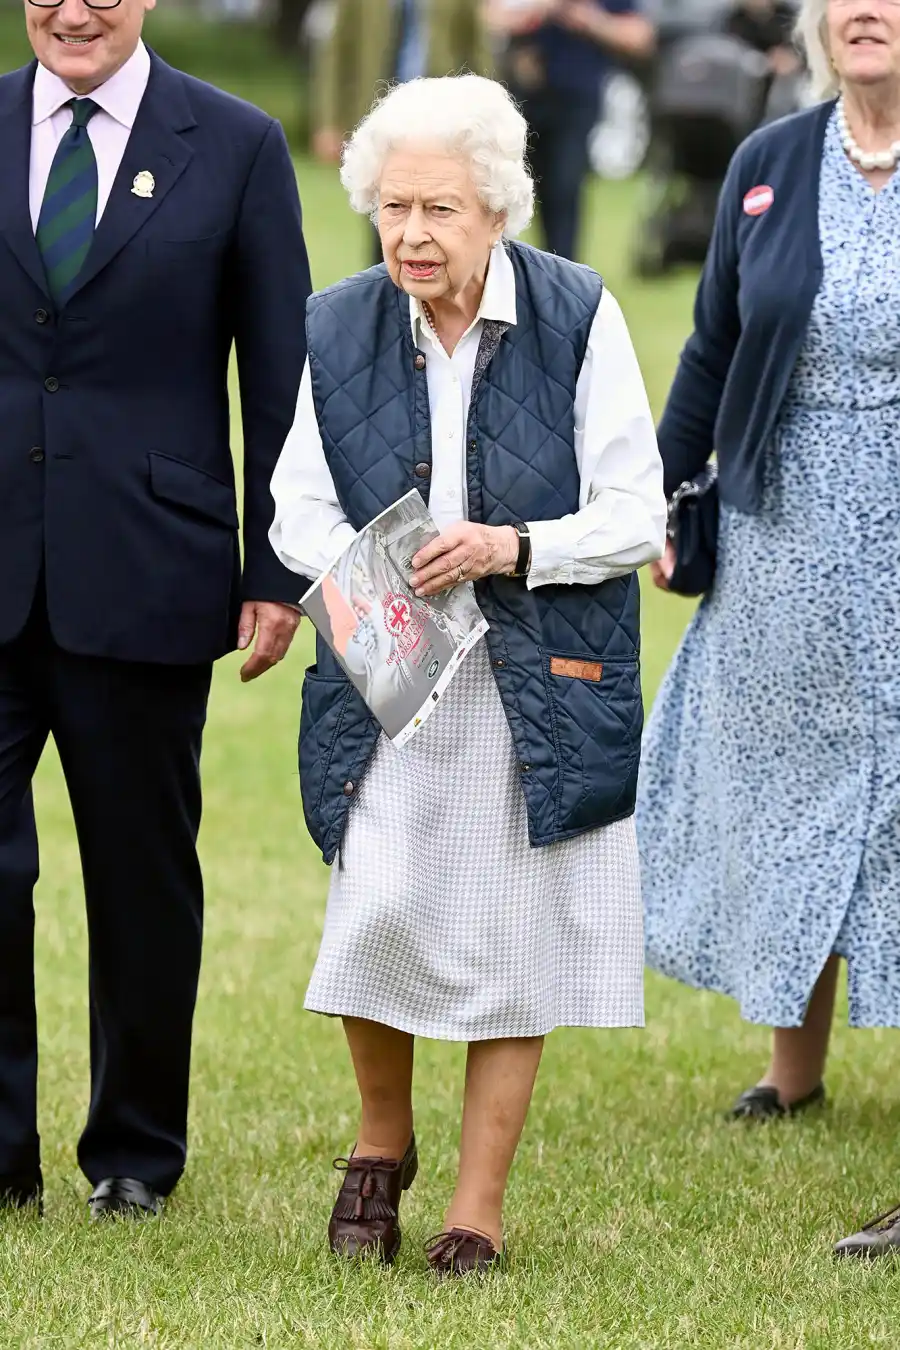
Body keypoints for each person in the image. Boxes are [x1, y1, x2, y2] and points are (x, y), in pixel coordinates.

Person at [270, 72, 665, 1275]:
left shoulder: (579, 312)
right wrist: (375, 569)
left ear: (498, 210)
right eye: (393, 209)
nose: (412, 235)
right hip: (392, 672)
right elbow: (294, 504)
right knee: (375, 906)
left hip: (536, 669)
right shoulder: (338, 322)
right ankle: (381, 1143)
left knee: (514, 940)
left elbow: (635, 509)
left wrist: (512, 546)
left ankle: (475, 1211)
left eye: (440, 210)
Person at [0, 0, 311, 1217]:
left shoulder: (234, 143)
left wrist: (275, 570)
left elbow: (279, 373)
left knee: (139, 877)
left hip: (146, 565)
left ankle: (133, 1152)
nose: (75, 10)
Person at [633, 0, 900, 1259]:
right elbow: (714, 347)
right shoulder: (769, 162)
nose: (867, 9)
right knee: (791, 787)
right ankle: (792, 1068)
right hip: (787, 534)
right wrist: (672, 498)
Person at [312, 0, 491, 262]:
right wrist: (329, 121)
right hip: (377, 118)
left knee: (437, 211)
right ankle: (386, 289)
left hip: (442, 119)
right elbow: (337, 51)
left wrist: (486, 120)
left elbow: (477, 52)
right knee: (384, 215)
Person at [484, 0, 655, 261]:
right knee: (510, 188)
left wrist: (593, 21)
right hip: (518, 95)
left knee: (564, 185)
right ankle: (506, 267)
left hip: (575, 96)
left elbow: (639, 37)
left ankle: (562, 268)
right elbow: (488, 17)